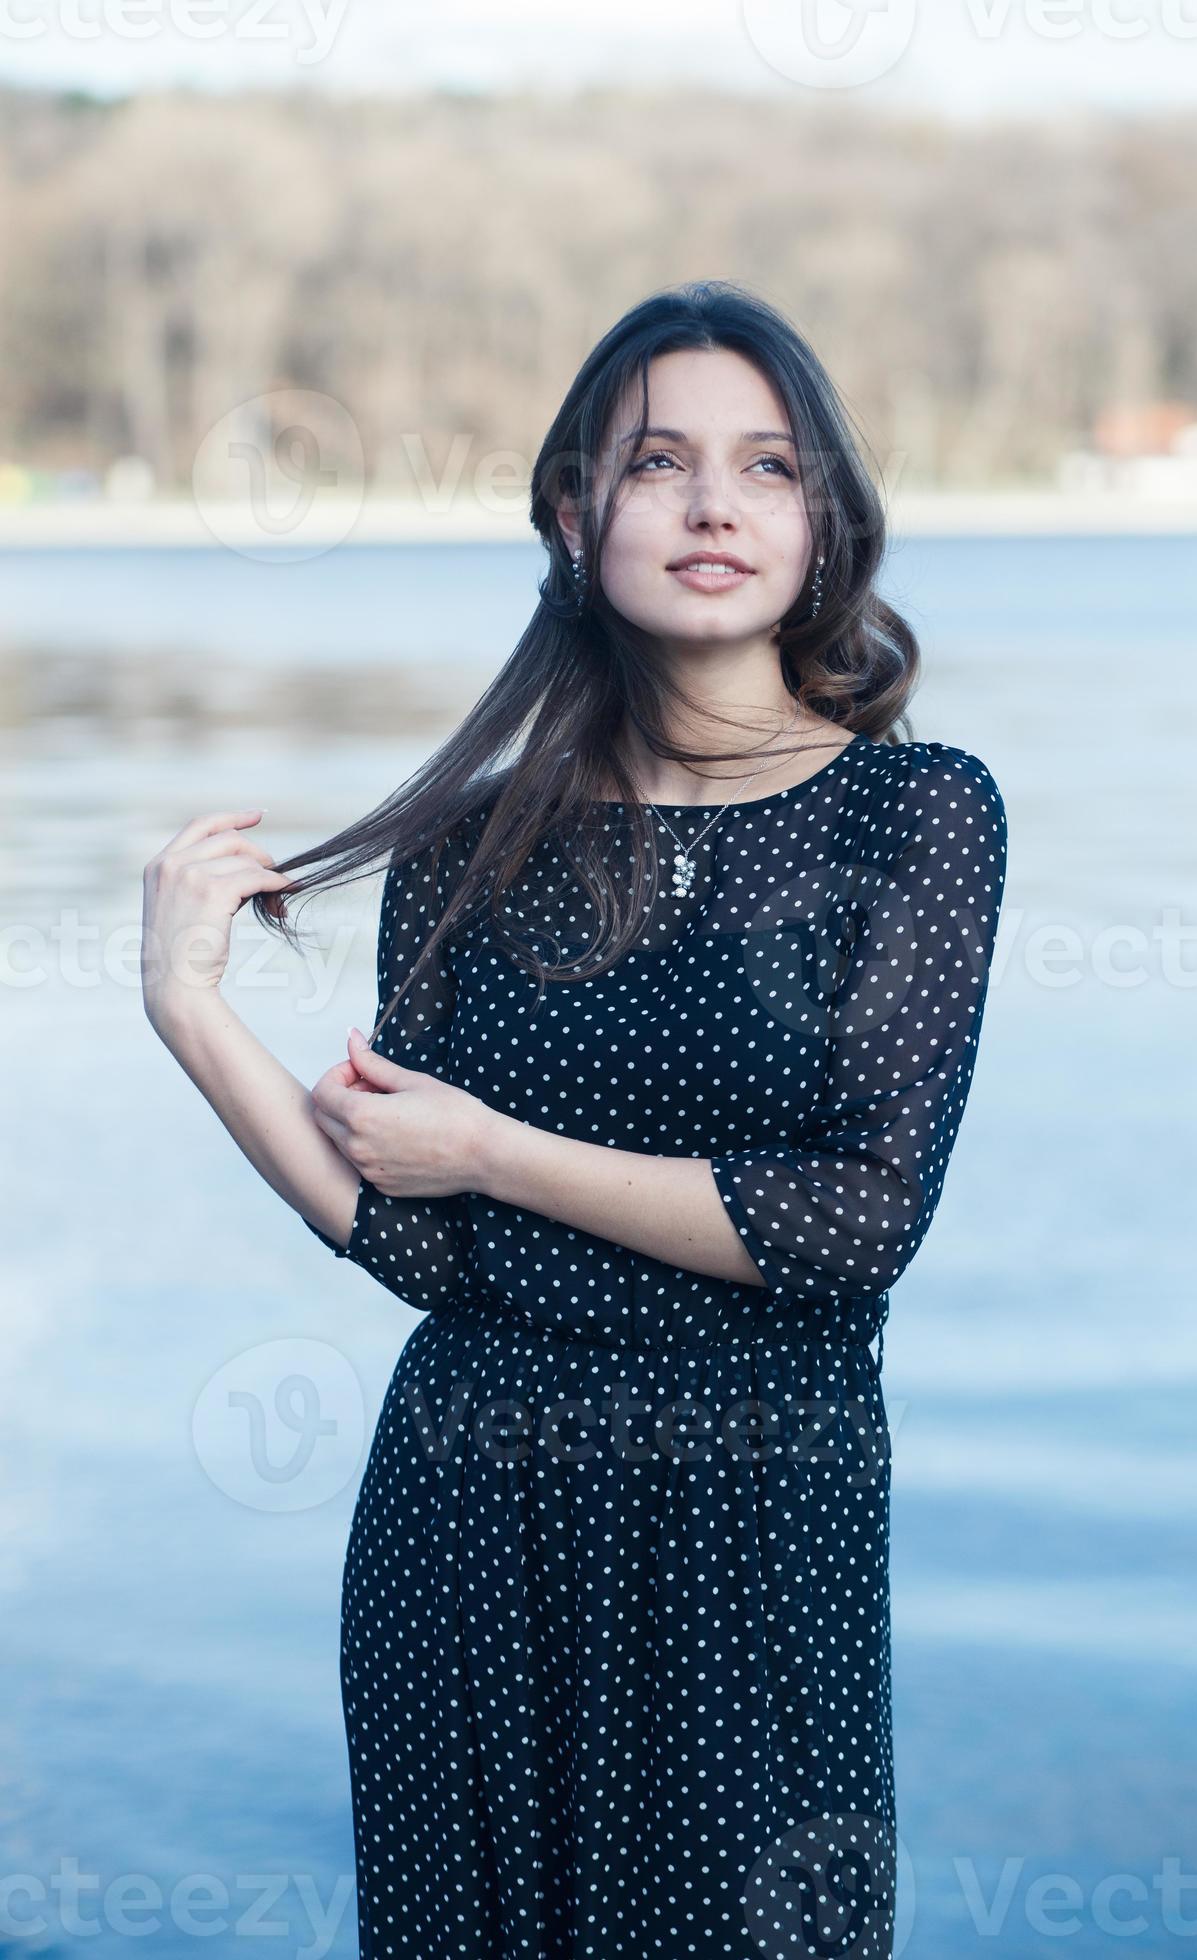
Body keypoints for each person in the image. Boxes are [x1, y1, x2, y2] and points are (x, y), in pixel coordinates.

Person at [141, 280, 1008, 1960]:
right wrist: (191, 1014)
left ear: (824, 520)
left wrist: (497, 1153)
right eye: (658, 462)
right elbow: (412, 1236)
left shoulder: (914, 812)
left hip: (761, 1520)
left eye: (768, 468)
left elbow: (854, 1223)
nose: (710, 505)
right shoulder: (476, 841)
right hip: (468, 1519)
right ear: (571, 510)